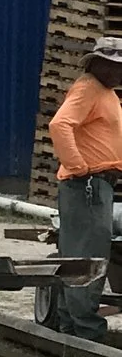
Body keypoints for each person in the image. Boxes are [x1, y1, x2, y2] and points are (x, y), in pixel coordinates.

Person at [42, 37, 122, 340]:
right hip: (87, 185)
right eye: (112, 65)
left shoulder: (106, 92)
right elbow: (59, 125)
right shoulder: (88, 87)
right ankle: (88, 334)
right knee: (88, 260)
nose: (117, 72)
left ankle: (70, 331)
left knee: (78, 257)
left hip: (97, 185)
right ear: (95, 63)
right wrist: (78, 167)